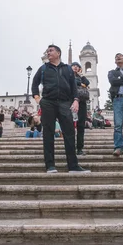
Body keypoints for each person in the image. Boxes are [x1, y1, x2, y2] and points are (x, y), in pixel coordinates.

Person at [31, 44, 89, 173]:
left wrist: (76, 100)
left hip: (64, 103)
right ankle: (50, 165)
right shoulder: (43, 69)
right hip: (48, 102)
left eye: (50, 50)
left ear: (58, 53)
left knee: (69, 133)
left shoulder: (68, 69)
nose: (48, 53)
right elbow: (34, 84)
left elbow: (74, 87)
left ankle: (73, 166)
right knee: (48, 133)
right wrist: (37, 98)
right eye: (47, 51)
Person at [71, 62, 90, 155]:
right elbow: (73, 82)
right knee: (69, 125)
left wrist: (81, 76)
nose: (75, 67)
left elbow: (87, 83)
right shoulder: (67, 76)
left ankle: (79, 148)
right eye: (74, 65)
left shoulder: (81, 77)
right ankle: (70, 147)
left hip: (82, 103)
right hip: (70, 102)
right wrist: (80, 83)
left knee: (81, 126)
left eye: (77, 66)